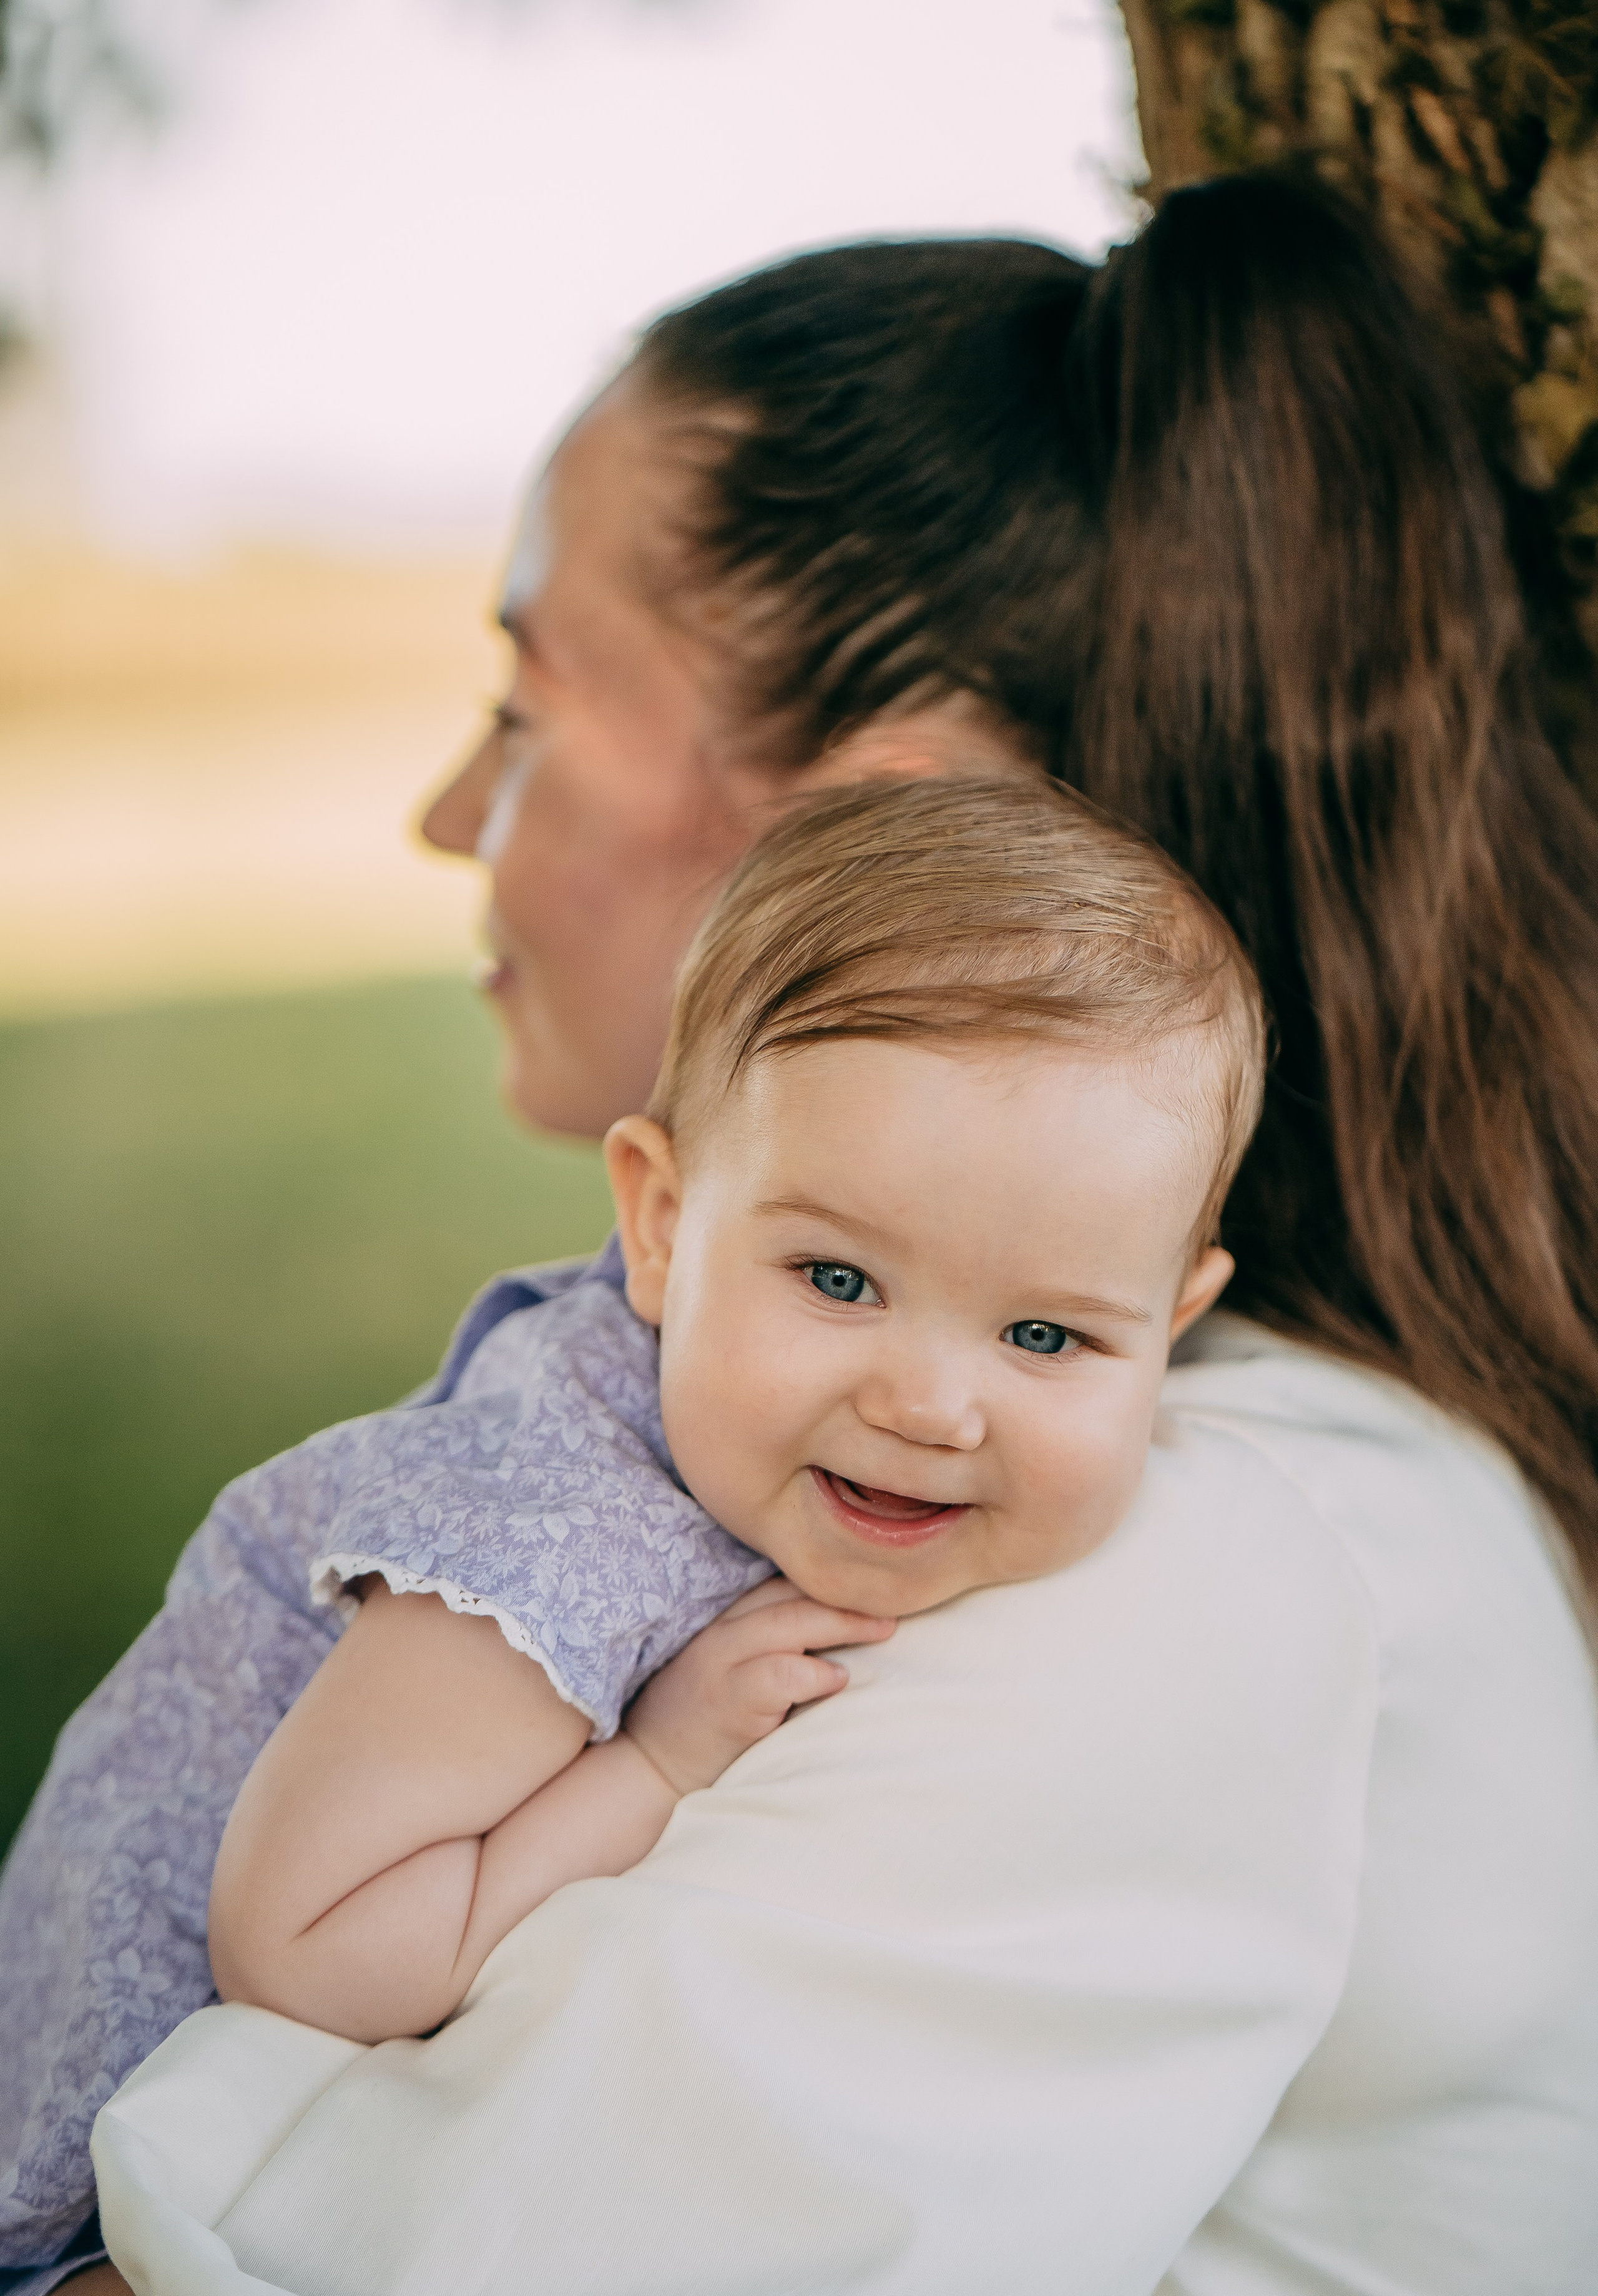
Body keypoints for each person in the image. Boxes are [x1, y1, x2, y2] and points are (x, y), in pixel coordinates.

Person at [4, 165, 1597, 2292]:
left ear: (876, 819)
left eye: (528, 700)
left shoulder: (1166, 1562)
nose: (446, 816)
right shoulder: (1062, 1446)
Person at [204, 776, 1261, 2045]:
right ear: (658, 1223)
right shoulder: (553, 1530)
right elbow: (305, 1950)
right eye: (836, 1279)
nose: (927, 1407)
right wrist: (653, 1768)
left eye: (1044, 1334)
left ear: (1172, 1324)